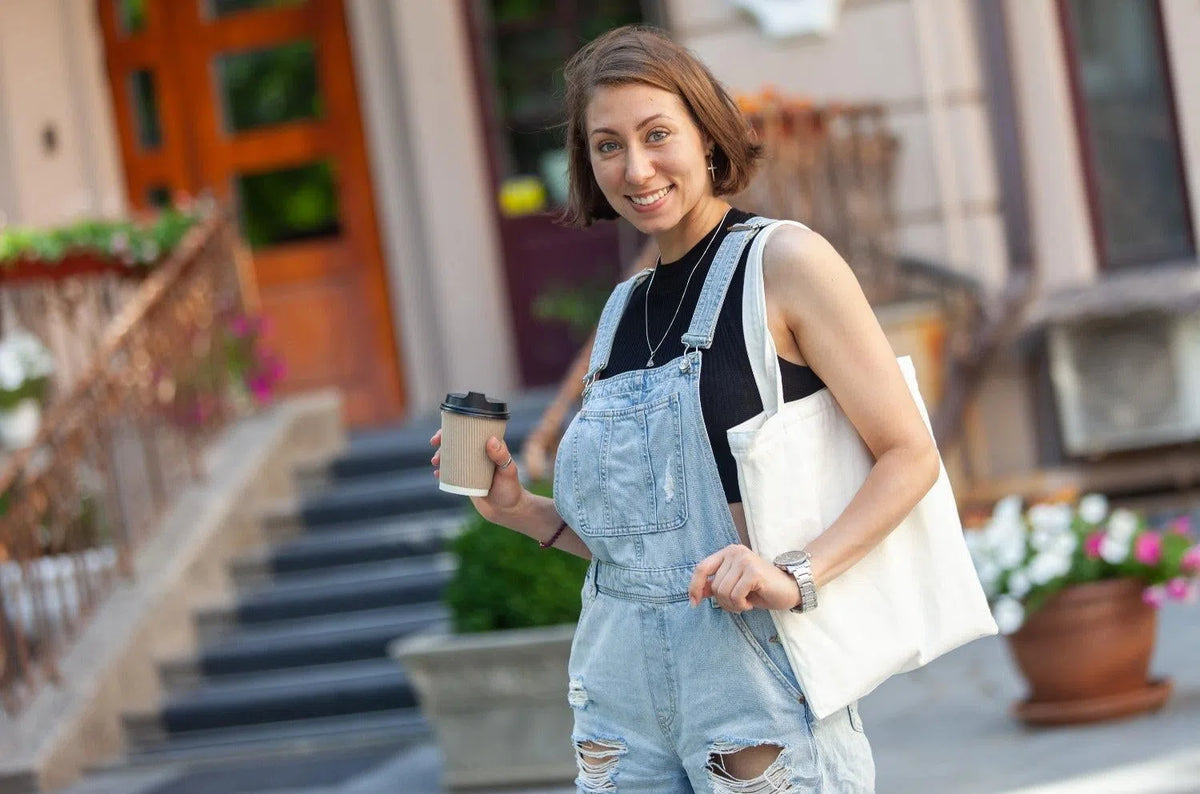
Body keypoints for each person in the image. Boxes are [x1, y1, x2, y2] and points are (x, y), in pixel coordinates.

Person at [430, 24, 939, 793]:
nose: (635, 169)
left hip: (752, 678)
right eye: (607, 145)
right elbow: (641, 552)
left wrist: (795, 574)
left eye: (657, 134)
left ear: (706, 133)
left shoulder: (784, 263)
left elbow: (910, 454)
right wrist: (518, 511)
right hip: (617, 689)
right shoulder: (620, 311)